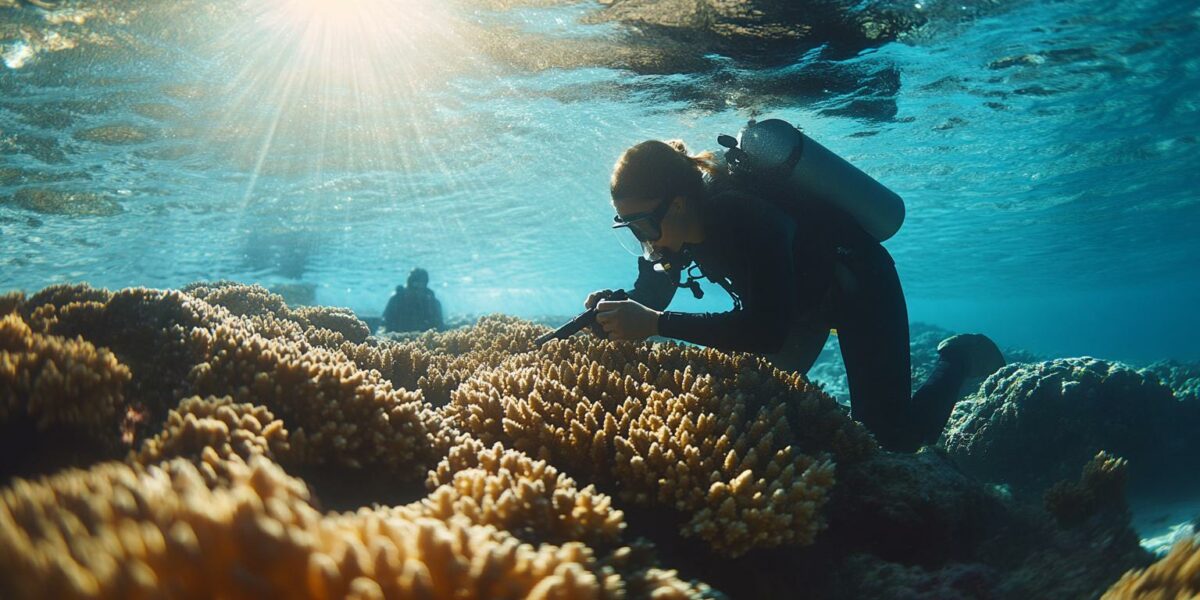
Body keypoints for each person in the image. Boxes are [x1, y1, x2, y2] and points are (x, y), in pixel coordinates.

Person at [587, 139, 1005, 452]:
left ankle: (959, 357)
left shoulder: (743, 216)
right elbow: (651, 295)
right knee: (753, 402)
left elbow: (765, 330)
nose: (644, 241)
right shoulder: (673, 234)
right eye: (629, 228)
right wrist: (612, 310)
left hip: (859, 286)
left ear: (677, 205)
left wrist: (655, 324)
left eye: (641, 224)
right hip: (800, 307)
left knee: (892, 439)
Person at [383, 267, 444, 333]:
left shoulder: (432, 303)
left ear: (424, 286)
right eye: (413, 286)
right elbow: (386, 324)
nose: (415, 292)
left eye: (419, 287)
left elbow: (439, 327)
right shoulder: (396, 300)